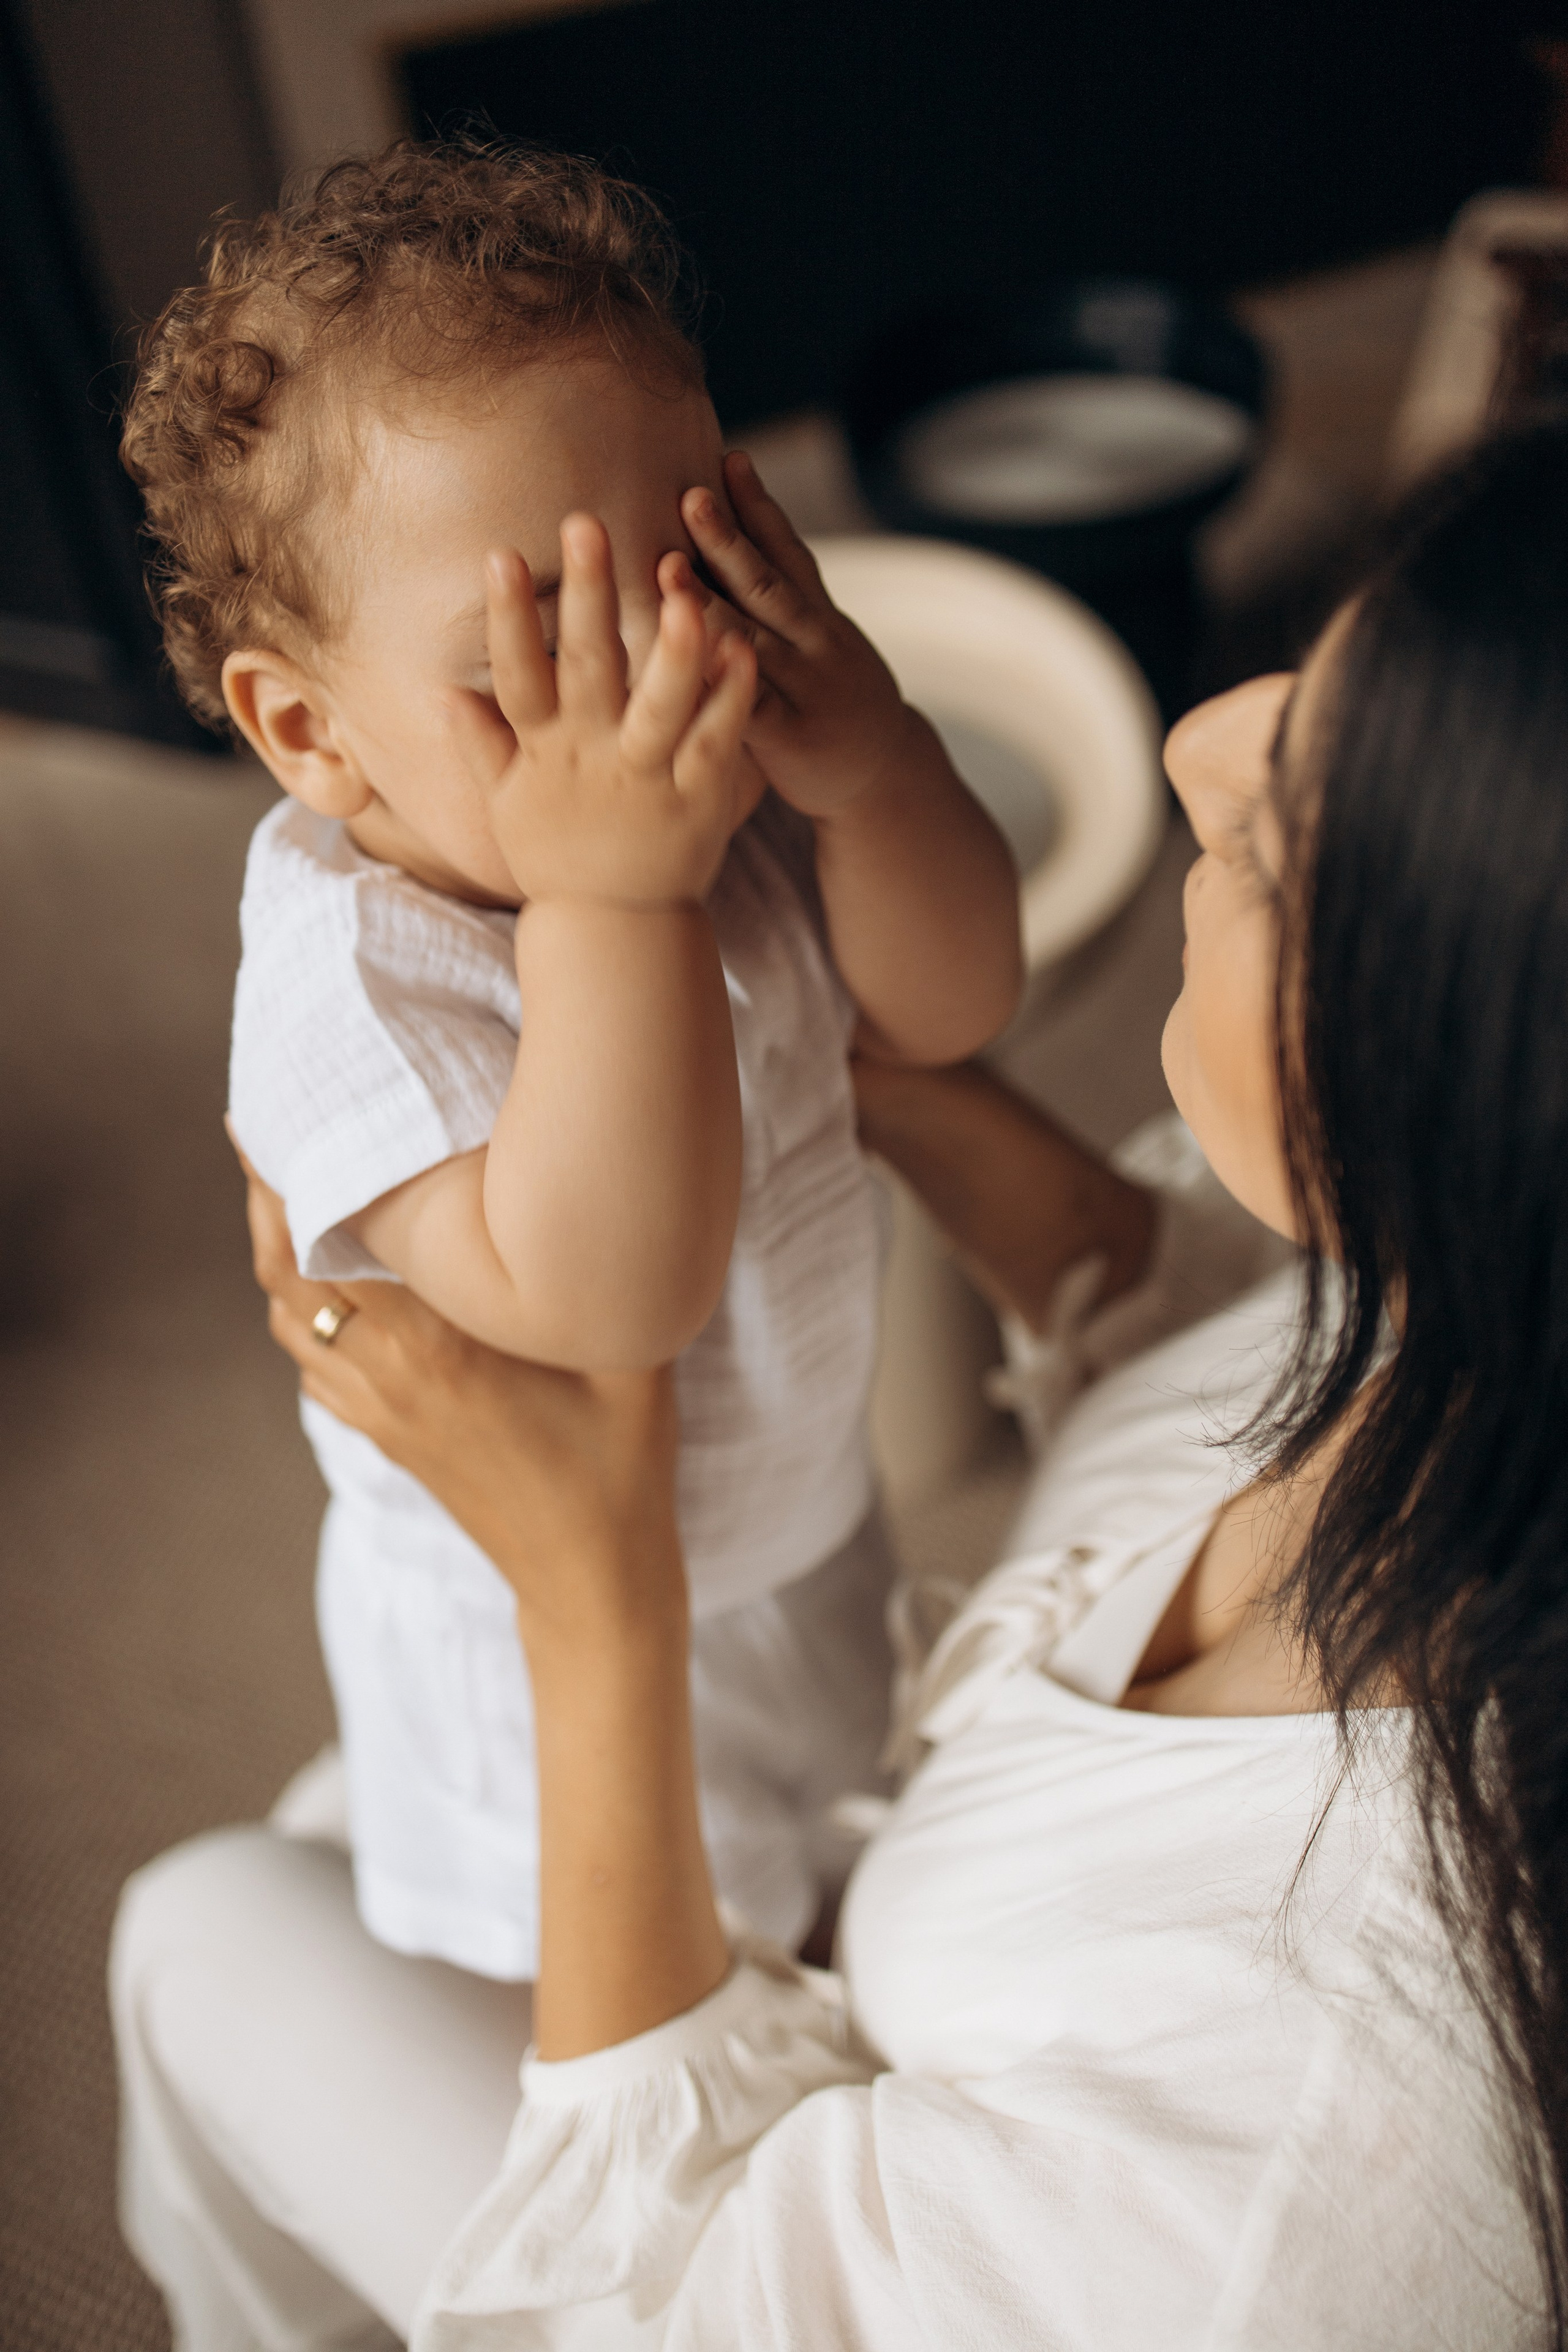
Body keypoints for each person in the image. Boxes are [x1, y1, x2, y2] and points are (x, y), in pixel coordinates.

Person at [111, 422, 1568, 2349]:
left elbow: (672, 2316)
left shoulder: (1315, 2167)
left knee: (198, 1927)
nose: (1199, 739)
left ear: (1477, 1108)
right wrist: (817, 1056)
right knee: (350, 1830)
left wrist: (597, 1601)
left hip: (707, 1785)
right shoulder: (1468, 1329)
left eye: (1293, 830)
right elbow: (1155, 1253)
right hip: (785, 1740)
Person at [119, 140, 1023, 1981]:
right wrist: (627, 898)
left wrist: (870, 761)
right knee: (649, 1965)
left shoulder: (714, 786)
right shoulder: (355, 980)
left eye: (687, 574)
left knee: (834, 1815)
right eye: (529, 648)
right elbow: (613, 1291)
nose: (639, 684)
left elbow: (952, 1010)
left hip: (796, 1524)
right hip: (542, 1655)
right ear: (312, 734)